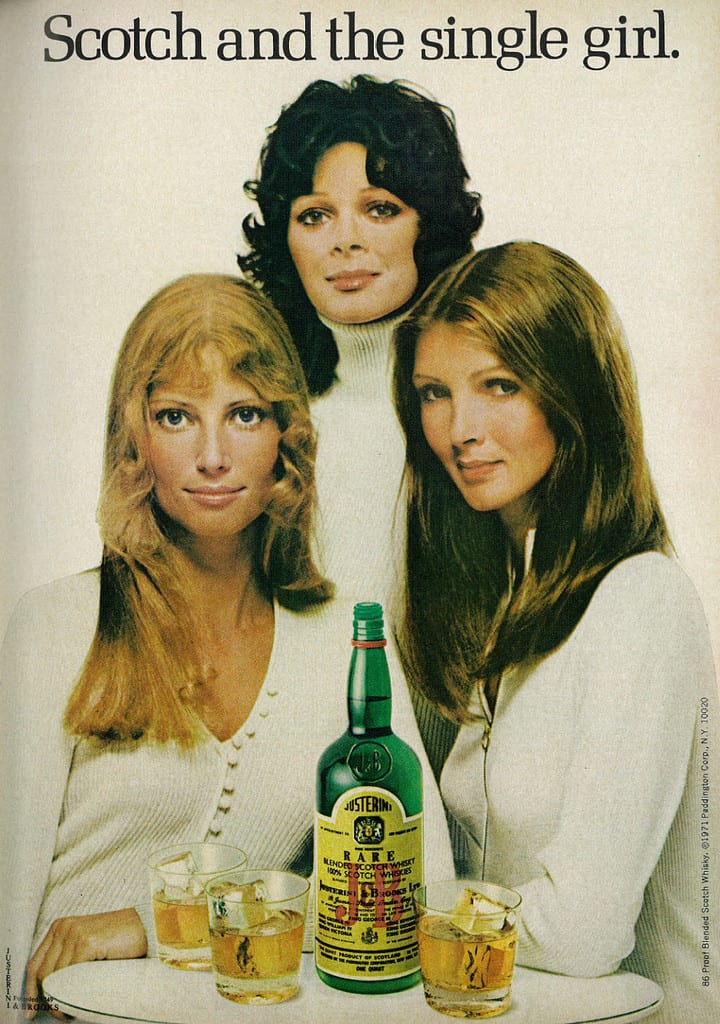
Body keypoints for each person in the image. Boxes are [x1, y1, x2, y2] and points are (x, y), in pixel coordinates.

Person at [0, 274, 454, 1019]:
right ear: (135, 437)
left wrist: (154, 928)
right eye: (176, 417)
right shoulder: (56, 624)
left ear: (286, 435)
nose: (212, 456)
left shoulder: (344, 638)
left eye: (244, 414)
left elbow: (416, 895)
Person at [392, 241, 719, 1024]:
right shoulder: (500, 600)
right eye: (435, 393)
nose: (460, 428)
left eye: (499, 386)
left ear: (575, 393)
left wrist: (385, 916)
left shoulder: (640, 599)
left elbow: (581, 935)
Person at [238, 74, 483, 612]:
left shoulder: (485, 415)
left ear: (429, 227)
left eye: (380, 210)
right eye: (314, 215)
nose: (345, 240)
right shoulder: (258, 419)